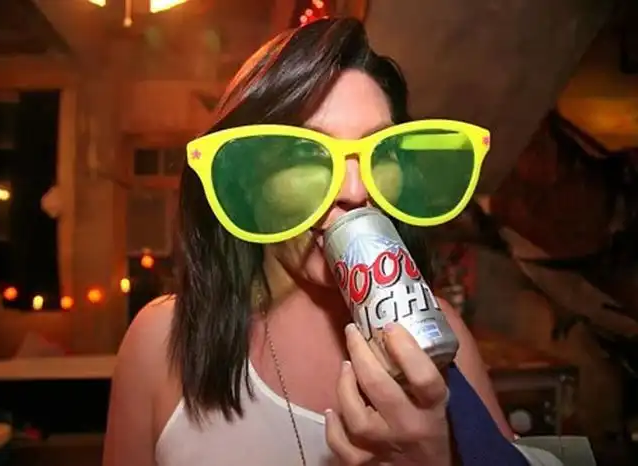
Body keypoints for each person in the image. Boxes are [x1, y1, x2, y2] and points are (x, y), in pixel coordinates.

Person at [104, 18, 543, 466]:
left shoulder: (440, 331)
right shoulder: (161, 342)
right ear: (249, 182)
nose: (354, 190)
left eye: (379, 151)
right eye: (306, 155)